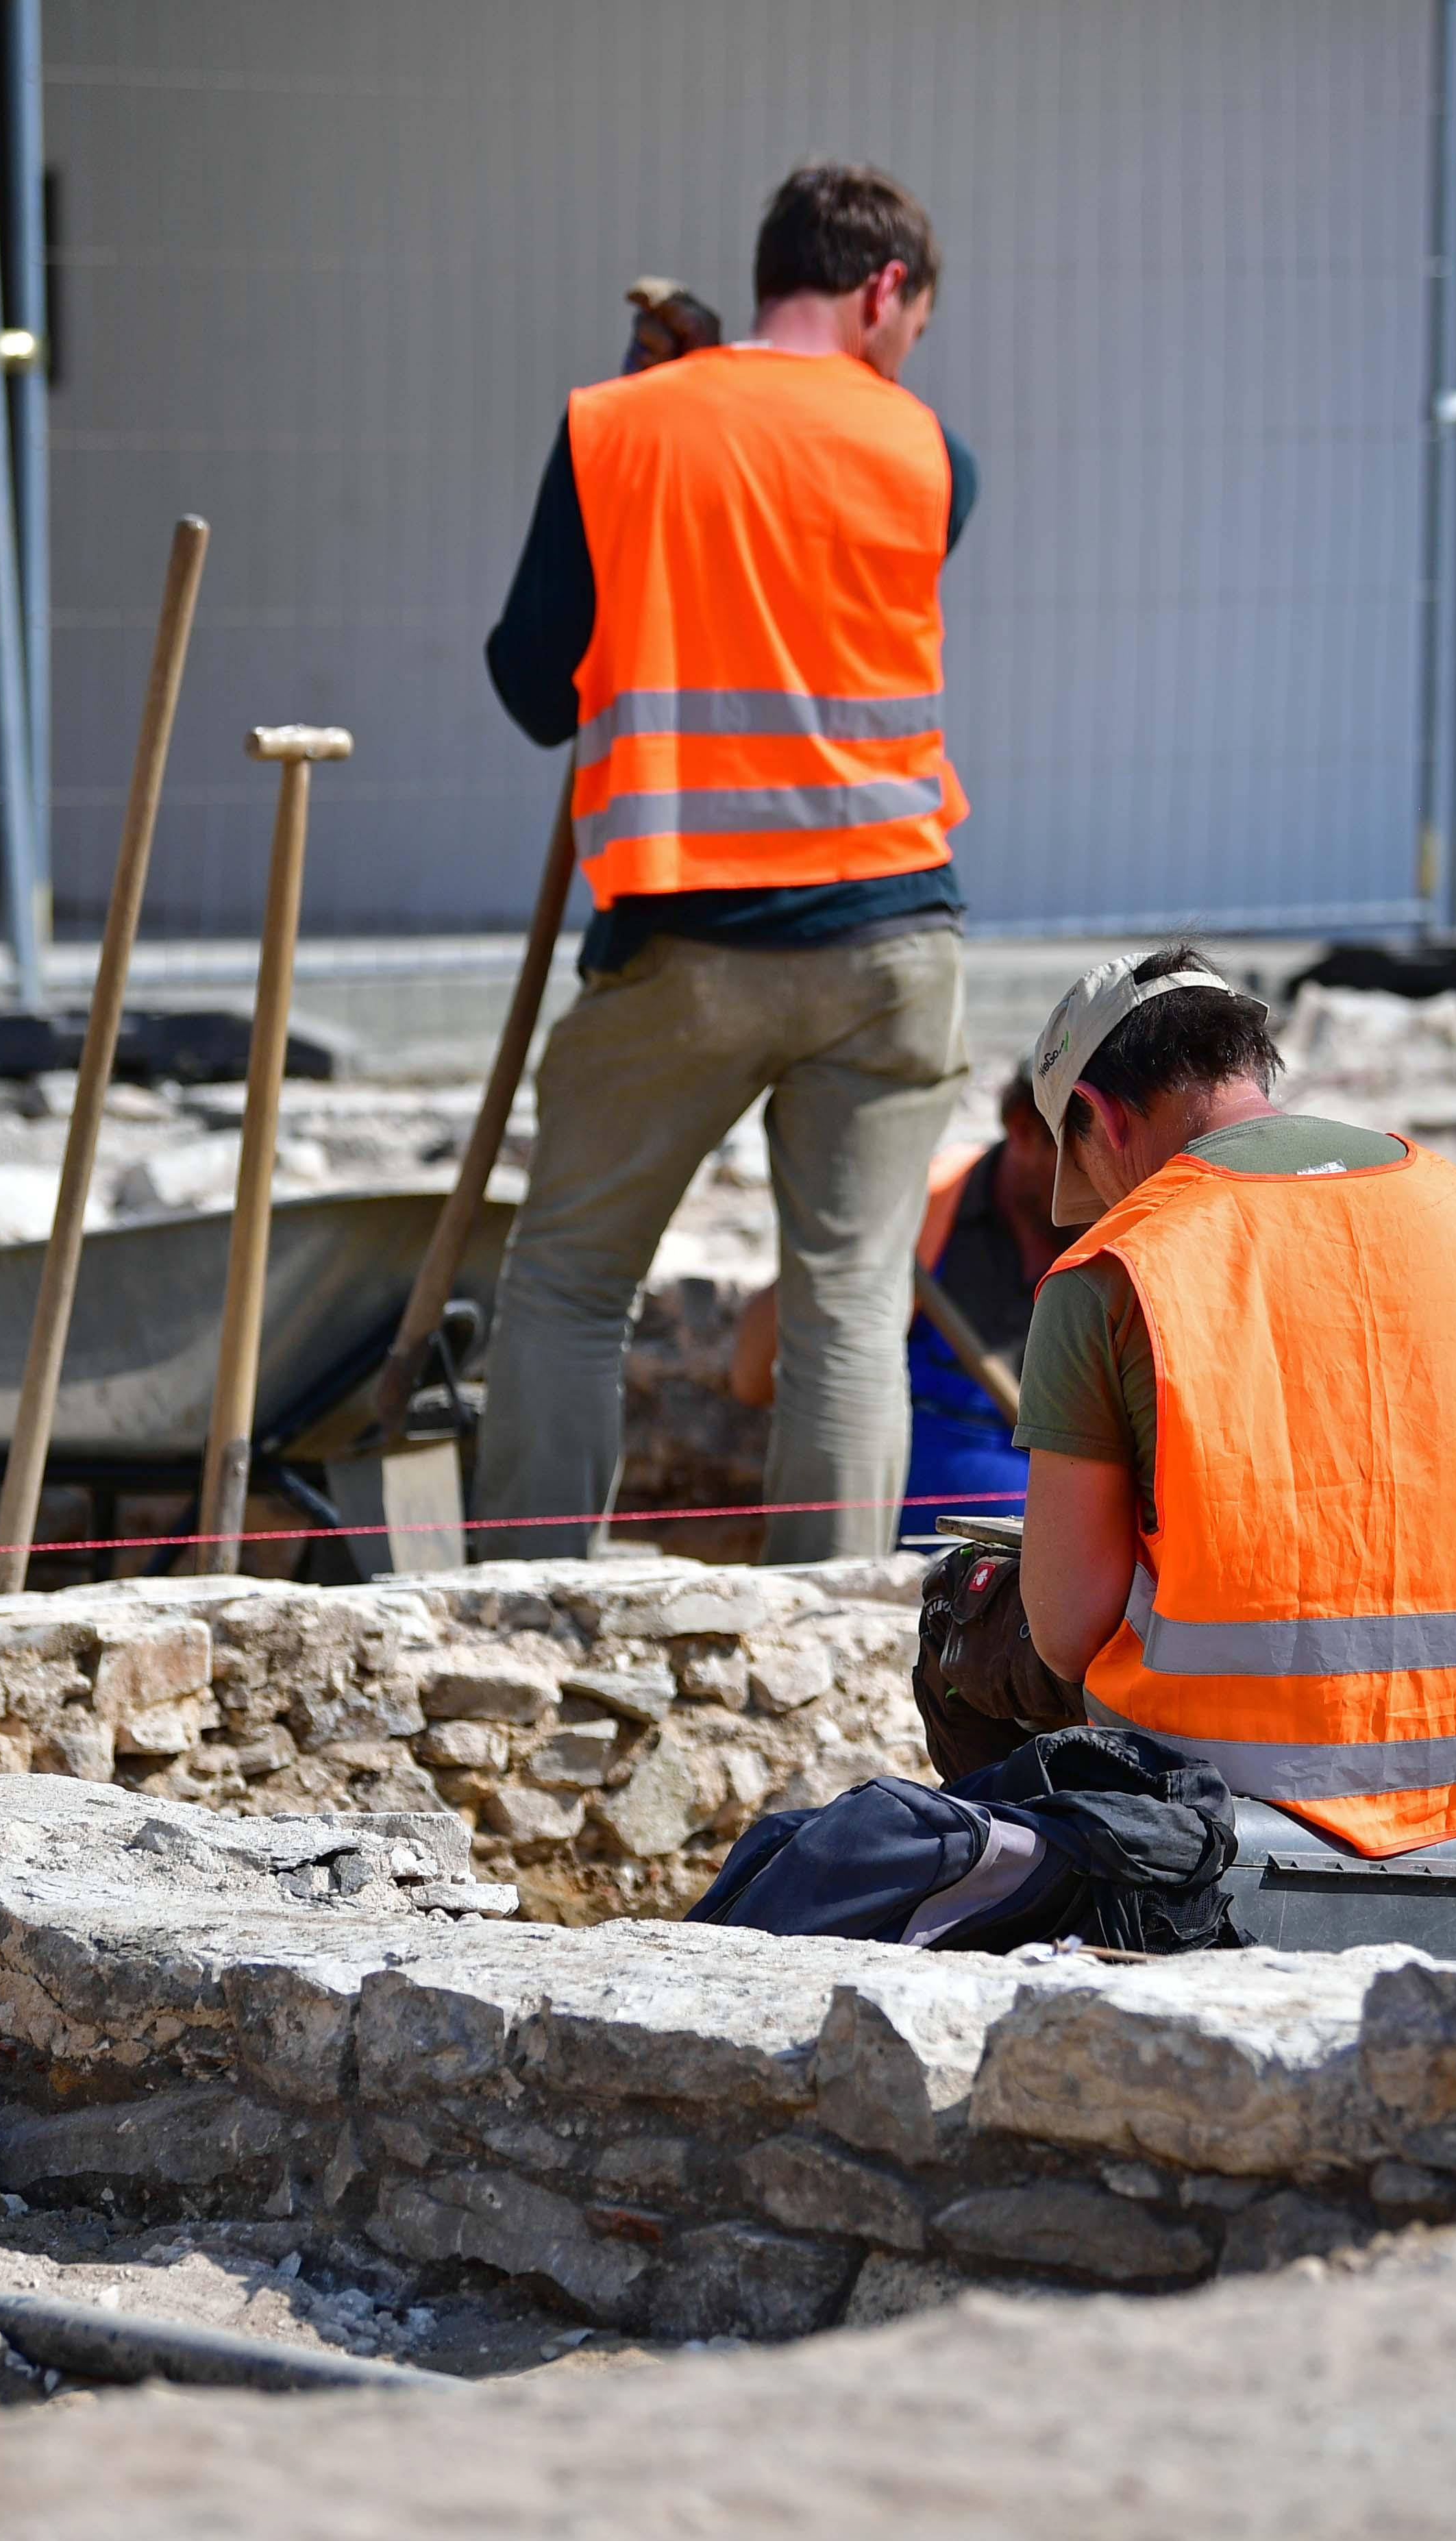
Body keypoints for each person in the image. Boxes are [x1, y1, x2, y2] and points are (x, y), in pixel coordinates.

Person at [474, 162, 977, 1562]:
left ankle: (521, 1604)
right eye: (914, 323)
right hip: (891, 943)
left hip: (686, 945)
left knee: (570, 1283)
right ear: (883, 291)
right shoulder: (935, 455)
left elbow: (533, 684)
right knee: (850, 1305)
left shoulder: (621, 428)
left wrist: (660, 435)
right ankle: (826, 1632)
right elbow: (805, 548)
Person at [926, 948, 1456, 1854]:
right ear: (1251, 1066)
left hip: (1235, 1757)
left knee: (961, 1616)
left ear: (1094, 1114)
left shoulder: (1117, 1265)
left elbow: (1065, 1632)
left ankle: (1074, 1892)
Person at [731, 1064, 1063, 1539]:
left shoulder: (1137, 1231)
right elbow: (751, 1378)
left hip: (1044, 1581)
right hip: (884, 1562)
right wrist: (839, 1237)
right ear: (1024, 1134)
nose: (1114, 1177)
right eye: (1086, 1151)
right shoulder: (925, 1204)